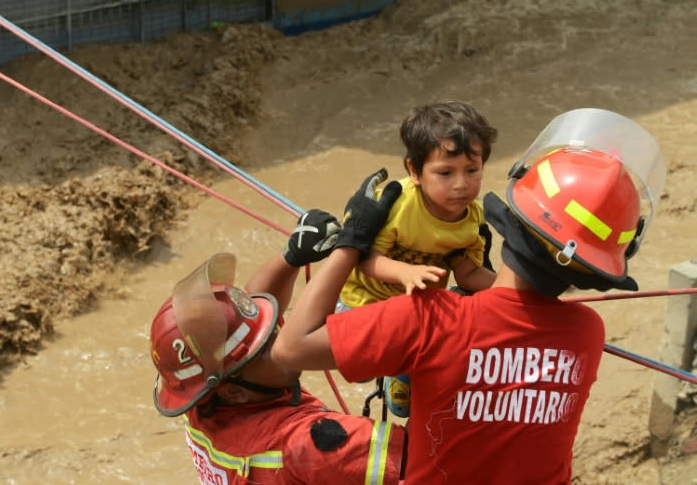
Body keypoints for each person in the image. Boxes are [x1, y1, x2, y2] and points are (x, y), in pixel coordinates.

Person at [271, 108, 666, 484]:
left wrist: (350, 242)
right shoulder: (587, 335)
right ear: (596, 272)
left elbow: (290, 349)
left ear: (511, 220)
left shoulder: (430, 317)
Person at [148, 208, 406, 485]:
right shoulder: (312, 443)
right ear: (235, 390)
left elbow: (250, 311)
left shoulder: (203, 398)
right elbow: (438, 459)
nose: (284, 337)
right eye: (268, 345)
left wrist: (292, 256)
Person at [337, 100, 498, 418]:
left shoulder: (472, 219)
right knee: (359, 372)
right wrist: (406, 273)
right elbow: (365, 258)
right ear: (415, 171)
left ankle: (403, 372)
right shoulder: (397, 204)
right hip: (366, 298)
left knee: (403, 406)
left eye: (472, 170)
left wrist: (516, 290)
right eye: (445, 173)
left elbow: (467, 274)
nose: (461, 184)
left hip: (417, 310)